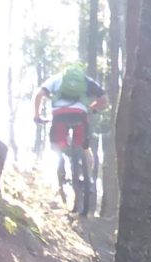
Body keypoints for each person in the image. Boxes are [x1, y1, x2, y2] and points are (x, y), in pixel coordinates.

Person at [40, 62, 107, 218]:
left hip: (59, 116)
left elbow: (39, 94)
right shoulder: (86, 80)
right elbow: (104, 99)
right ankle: (89, 177)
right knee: (85, 148)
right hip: (80, 115)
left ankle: (60, 166)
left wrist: (36, 115)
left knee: (56, 146)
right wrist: (92, 108)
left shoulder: (56, 79)